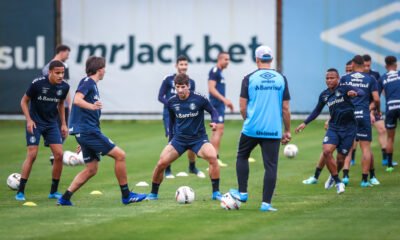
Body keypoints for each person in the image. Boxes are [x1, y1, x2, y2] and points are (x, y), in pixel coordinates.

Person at [57, 56, 146, 206]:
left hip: (85, 133)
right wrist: (91, 108)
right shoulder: (88, 82)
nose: (105, 71)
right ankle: (126, 195)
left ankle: (65, 198)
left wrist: (83, 139)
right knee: (120, 155)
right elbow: (77, 100)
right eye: (104, 68)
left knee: (91, 169)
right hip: (87, 132)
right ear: (99, 69)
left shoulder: (92, 84)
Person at [229, 46, 291, 212]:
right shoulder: (281, 79)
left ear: (257, 59)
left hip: (252, 128)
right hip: (273, 129)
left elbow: (242, 107)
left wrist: (248, 120)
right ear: (271, 59)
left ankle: (242, 192)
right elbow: (285, 108)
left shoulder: (249, 78)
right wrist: (287, 130)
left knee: (242, 155)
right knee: (270, 166)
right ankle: (266, 204)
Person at [147, 73, 222, 201]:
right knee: (161, 163)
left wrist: (214, 122)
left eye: (182, 87)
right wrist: (170, 140)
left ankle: (216, 193)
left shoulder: (199, 99)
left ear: (188, 86)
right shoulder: (172, 102)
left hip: (199, 139)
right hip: (179, 140)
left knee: (213, 157)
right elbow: (171, 122)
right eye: (177, 87)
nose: (180, 90)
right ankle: (153, 194)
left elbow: (213, 111)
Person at [296, 68, 364, 194]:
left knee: (340, 159)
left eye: (332, 78)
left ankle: (333, 176)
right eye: (327, 78)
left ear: (338, 78)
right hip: (334, 128)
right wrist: (305, 123)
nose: (329, 80)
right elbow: (317, 110)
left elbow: (361, 92)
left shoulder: (344, 88)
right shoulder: (324, 95)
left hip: (349, 128)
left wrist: (354, 93)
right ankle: (338, 181)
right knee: (327, 151)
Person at [15, 60, 70, 201]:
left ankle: (53, 191)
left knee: (59, 155)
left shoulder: (64, 87)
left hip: (51, 124)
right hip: (35, 123)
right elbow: (23, 101)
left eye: (62, 72)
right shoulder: (37, 84)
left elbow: (61, 104)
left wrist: (63, 124)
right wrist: (29, 120)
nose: (60, 75)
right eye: (57, 73)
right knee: (32, 155)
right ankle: (20, 192)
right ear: (50, 72)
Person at [158, 55, 205, 179]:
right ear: (176, 66)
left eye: (185, 64)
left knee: (191, 137)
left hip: (187, 115)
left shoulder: (191, 82)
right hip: (170, 115)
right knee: (171, 138)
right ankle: (167, 169)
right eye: (181, 64)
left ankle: (192, 166)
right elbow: (160, 96)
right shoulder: (168, 79)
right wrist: (171, 104)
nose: (183, 67)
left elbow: (192, 98)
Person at [340, 55, 381, 187]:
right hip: (363, 115)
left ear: (352, 64)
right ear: (363, 64)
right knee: (366, 149)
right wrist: (377, 111)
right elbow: (377, 99)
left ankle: (345, 177)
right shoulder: (370, 79)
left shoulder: (345, 78)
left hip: (348, 115)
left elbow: (339, 97)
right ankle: (364, 180)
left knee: (348, 146)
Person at [42, 45, 72, 165]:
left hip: (62, 103)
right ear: (62, 52)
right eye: (67, 53)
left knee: (64, 130)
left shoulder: (64, 66)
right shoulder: (48, 67)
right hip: (55, 104)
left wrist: (69, 103)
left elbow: (66, 86)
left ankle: (54, 153)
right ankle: (54, 154)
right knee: (60, 129)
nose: (68, 56)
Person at [363, 54, 394, 167]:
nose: (367, 68)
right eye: (365, 65)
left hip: (373, 107)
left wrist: (387, 97)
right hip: (361, 109)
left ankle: (385, 158)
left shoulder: (375, 74)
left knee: (382, 129)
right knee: (356, 137)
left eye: (368, 65)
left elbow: (382, 89)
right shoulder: (357, 76)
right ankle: (351, 158)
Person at [208, 52, 233, 167]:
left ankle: (214, 158)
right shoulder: (214, 71)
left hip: (220, 105)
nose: (228, 62)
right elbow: (211, 89)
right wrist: (224, 100)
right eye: (226, 59)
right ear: (220, 59)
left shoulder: (220, 73)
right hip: (216, 105)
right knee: (218, 130)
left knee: (218, 131)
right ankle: (214, 159)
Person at [380, 56, 400, 172]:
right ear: (396, 65)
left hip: (391, 107)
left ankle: (389, 165)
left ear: (386, 66)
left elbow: (377, 94)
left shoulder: (383, 78)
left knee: (390, 138)